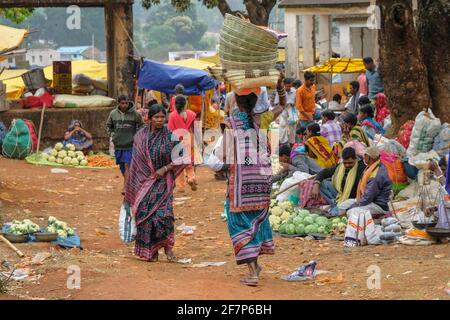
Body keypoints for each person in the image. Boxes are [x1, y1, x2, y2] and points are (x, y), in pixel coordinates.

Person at [218, 91, 274, 287]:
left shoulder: (232, 123)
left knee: (239, 223)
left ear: (236, 102)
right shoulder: (262, 121)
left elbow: (223, 154)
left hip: (242, 184)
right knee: (254, 223)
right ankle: (256, 266)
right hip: (262, 181)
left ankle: (252, 273)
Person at [124, 104, 188, 262]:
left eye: (162, 117)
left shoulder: (171, 136)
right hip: (143, 184)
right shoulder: (140, 137)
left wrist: (165, 168)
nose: (160, 120)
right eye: (156, 117)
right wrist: (130, 186)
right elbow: (136, 163)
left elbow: (182, 156)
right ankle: (150, 251)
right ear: (149, 118)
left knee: (165, 216)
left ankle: (169, 249)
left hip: (162, 182)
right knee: (145, 218)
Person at [107, 95, 144, 194]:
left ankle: (126, 187)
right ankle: (130, 183)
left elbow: (142, 125)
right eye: (122, 103)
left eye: (126, 103)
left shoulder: (135, 114)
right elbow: (109, 126)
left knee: (128, 165)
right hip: (118, 145)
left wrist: (137, 136)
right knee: (122, 166)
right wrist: (112, 135)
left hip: (130, 145)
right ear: (119, 103)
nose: (124, 105)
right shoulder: (113, 114)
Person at [343, 146, 392, 217]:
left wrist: (350, 208)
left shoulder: (376, 173)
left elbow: (368, 197)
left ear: (370, 157)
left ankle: (379, 215)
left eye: (365, 155)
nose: (363, 157)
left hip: (378, 205)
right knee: (343, 205)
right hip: (367, 200)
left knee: (351, 212)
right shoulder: (371, 166)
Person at [167, 95, 197, 192]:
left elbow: (170, 130)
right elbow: (194, 128)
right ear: (186, 104)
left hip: (177, 140)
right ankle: (191, 178)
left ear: (175, 104)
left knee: (179, 164)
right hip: (188, 138)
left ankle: (181, 186)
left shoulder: (172, 116)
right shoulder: (192, 114)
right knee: (189, 163)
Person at [275, 77, 297, 145]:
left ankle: (292, 144)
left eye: (290, 86)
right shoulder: (280, 91)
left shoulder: (294, 91)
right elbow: (276, 103)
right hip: (283, 112)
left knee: (292, 129)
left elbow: (297, 102)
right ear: (284, 85)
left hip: (292, 112)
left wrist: (292, 104)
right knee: (282, 127)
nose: (288, 87)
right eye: (287, 86)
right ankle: (282, 143)